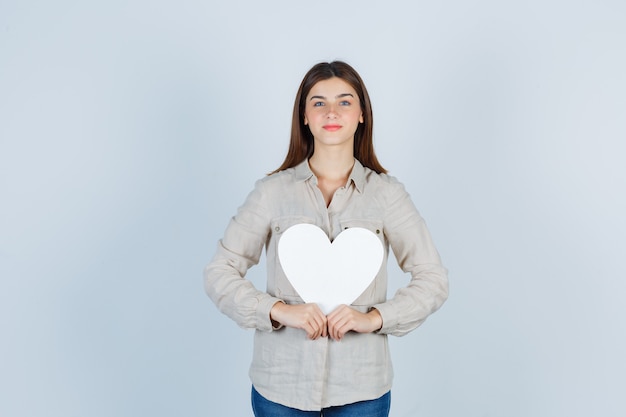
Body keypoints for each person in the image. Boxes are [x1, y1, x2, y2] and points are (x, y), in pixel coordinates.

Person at [204, 61, 448, 416]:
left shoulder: (387, 195)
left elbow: (433, 279)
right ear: (304, 115)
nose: (331, 112)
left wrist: (374, 318)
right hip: (280, 388)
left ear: (362, 113)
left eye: (344, 102)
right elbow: (219, 271)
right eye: (318, 102)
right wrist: (279, 311)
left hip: (363, 390)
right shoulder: (271, 193)